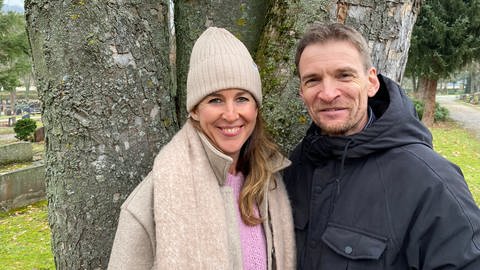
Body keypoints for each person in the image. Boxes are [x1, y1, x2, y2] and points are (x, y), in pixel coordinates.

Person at [284, 22, 480, 269]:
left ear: (371, 82)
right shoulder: (296, 166)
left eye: (344, 75)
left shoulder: (430, 180)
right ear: (301, 92)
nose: (328, 93)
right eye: (313, 80)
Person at [108, 27, 295, 269]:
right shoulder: (155, 197)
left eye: (242, 98)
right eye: (215, 100)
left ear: (256, 108)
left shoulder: (269, 183)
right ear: (195, 110)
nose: (230, 114)